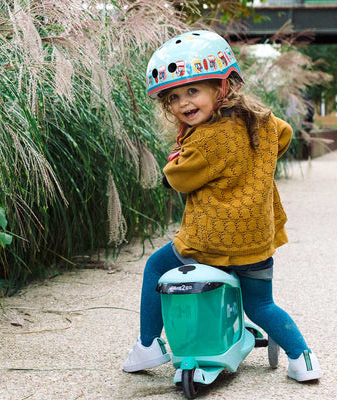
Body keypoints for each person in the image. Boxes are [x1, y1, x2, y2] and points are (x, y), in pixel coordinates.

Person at [123, 30, 322, 382]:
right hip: (256, 239)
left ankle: (148, 344)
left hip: (210, 241)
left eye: (193, 91)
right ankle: (302, 359)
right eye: (173, 97)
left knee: (156, 267)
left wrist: (172, 168)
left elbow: (179, 178)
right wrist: (255, 164)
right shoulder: (261, 120)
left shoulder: (204, 139)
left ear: (221, 87)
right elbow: (285, 134)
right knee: (261, 304)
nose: (183, 103)